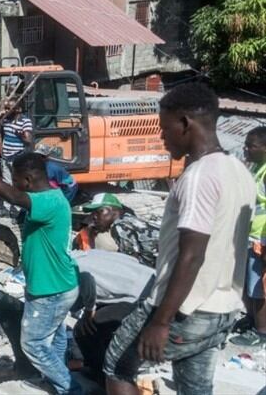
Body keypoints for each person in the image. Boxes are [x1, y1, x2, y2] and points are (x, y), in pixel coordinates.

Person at [103, 83, 256, 395]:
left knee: (117, 365)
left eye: (164, 128)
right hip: (222, 307)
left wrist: (161, 322)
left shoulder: (200, 176)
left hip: (184, 307)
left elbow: (192, 256)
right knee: (194, 388)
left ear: (185, 123)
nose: (162, 137)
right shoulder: (238, 171)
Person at [0, 145, 79, 395]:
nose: (12, 184)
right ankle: (57, 380)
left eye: (15, 180)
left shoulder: (48, 201)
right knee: (57, 338)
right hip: (57, 284)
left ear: (28, 180)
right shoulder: (48, 198)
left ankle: (71, 389)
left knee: (33, 344)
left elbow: (15, 198)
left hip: (50, 289)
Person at [71, 250, 155, 382]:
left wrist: (88, 312)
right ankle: (97, 366)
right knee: (93, 325)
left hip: (141, 295)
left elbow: (86, 285)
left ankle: (101, 376)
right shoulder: (84, 254)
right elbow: (132, 259)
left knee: (86, 329)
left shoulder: (70, 268)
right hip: (149, 279)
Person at [233, 126, 266, 346]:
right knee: (246, 285)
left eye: (251, 145)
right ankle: (252, 319)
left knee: (258, 290)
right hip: (250, 236)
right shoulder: (258, 168)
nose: (246, 149)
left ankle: (261, 332)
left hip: (260, 241)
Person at [74, 193, 160, 268]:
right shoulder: (128, 218)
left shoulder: (120, 226)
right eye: (93, 213)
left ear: (113, 210)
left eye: (99, 211)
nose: (94, 216)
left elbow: (131, 262)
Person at [0, 98, 33, 216]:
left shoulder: (25, 121)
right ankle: (7, 208)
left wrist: (20, 135)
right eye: (6, 108)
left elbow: (28, 140)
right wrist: (0, 151)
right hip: (6, 157)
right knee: (6, 183)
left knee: (18, 184)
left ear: (18, 109)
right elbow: (1, 135)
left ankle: (18, 211)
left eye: (8, 108)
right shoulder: (5, 120)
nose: (6, 110)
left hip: (17, 157)